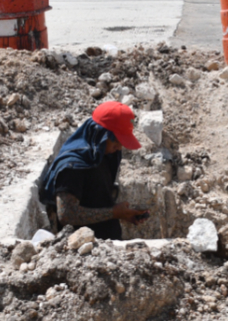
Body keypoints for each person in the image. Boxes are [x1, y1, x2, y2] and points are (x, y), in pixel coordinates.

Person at [37, 102, 149, 240]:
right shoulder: (72, 167)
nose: (119, 147)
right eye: (117, 141)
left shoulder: (102, 155)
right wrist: (114, 213)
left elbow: (94, 199)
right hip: (83, 251)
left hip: (106, 245)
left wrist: (124, 214)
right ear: (101, 134)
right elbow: (67, 215)